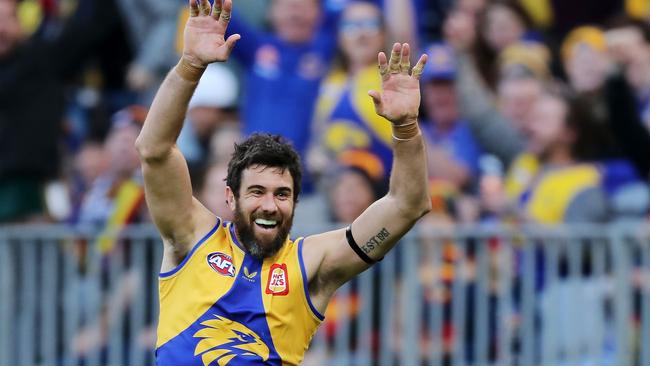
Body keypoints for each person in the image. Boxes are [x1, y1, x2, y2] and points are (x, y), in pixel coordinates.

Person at [135, 0, 431, 364]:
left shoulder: (312, 265)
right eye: (256, 192)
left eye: (283, 194)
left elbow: (407, 205)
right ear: (231, 196)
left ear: (295, 201)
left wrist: (405, 129)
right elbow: (154, 150)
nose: (270, 205)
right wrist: (189, 67)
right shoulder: (191, 236)